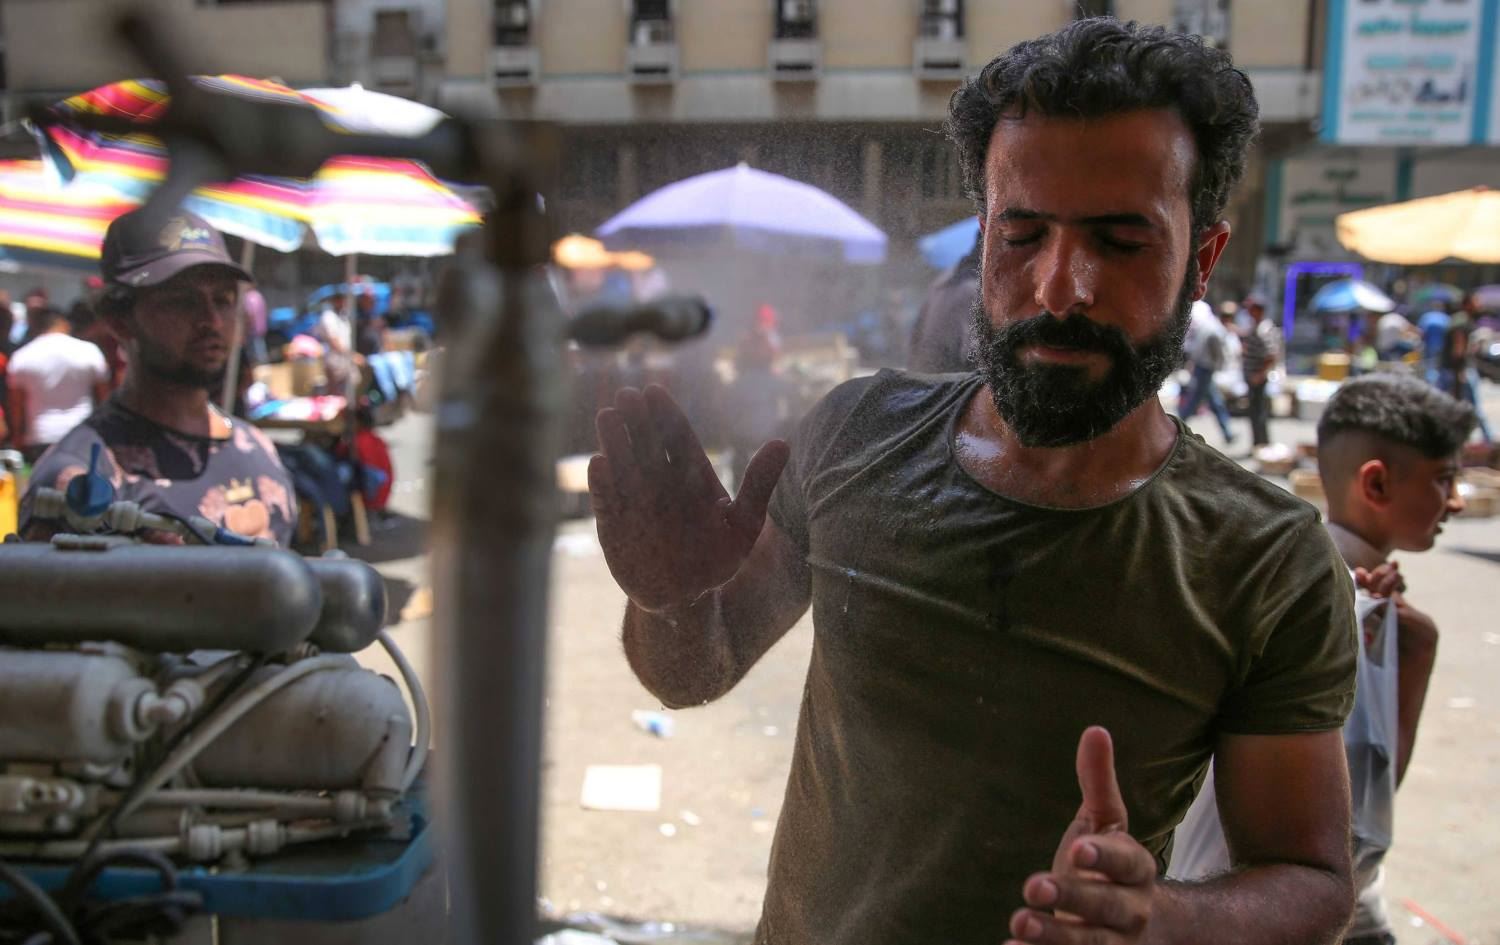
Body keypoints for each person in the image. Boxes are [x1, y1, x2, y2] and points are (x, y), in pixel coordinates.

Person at [588, 19, 1357, 945]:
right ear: (985, 235)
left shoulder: (1267, 560)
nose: (1060, 288)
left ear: (1201, 260)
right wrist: (669, 600)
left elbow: (1313, 880)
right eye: (1023, 234)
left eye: (1121, 241)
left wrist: (1160, 920)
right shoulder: (853, 434)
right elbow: (692, 672)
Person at [1171, 373, 1473, 945]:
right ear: (1375, 483)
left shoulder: (1366, 606)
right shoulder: (1315, 606)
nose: (1456, 500)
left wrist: (1415, 652)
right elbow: (1356, 818)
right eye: (1443, 479)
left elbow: (1366, 795)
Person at [18, 209, 297, 546]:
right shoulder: (83, 485)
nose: (211, 320)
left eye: (223, 299)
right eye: (182, 301)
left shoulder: (255, 444)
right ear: (119, 319)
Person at [5, 305, 111, 464]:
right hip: (82, 432)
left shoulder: (22, 357)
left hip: (41, 436)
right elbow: (104, 396)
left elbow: (16, 405)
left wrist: (17, 436)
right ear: (63, 324)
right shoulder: (89, 351)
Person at [908, 234, 981, 373]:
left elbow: (915, 338)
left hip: (923, 378)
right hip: (948, 381)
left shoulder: (944, 280)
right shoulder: (975, 288)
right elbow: (973, 355)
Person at [1175, 298, 1235, 444]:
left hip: (1202, 367)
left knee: (1214, 401)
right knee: (1195, 401)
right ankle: (1177, 428)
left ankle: (1227, 433)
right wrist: (1221, 366)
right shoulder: (1216, 331)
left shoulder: (1210, 325)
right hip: (1205, 368)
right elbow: (1217, 353)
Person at [1240, 293, 1280, 447]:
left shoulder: (1263, 329)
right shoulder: (1256, 326)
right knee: (1255, 411)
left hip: (1257, 377)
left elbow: (1271, 355)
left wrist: (1260, 374)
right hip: (1252, 376)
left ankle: (1262, 443)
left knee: (1258, 412)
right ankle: (1258, 442)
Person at [1417, 300, 1452, 382]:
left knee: (1428, 364)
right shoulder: (1446, 318)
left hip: (1428, 344)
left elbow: (1421, 332)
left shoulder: (1426, 316)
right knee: (1438, 365)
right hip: (1442, 345)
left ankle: (1429, 381)